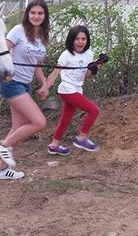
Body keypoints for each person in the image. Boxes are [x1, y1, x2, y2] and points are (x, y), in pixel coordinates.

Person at [0, 0, 50, 180]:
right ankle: (4, 144)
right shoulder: (18, 31)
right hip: (12, 82)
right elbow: (1, 52)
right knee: (39, 122)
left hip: (25, 84)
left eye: (40, 13)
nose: (36, 16)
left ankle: (3, 171)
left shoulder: (42, 36)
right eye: (33, 12)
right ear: (27, 14)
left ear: (45, 16)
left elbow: (37, 65)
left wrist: (44, 83)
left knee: (18, 128)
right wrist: (5, 71)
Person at [41, 25, 103, 154]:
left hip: (76, 89)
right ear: (71, 40)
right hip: (67, 90)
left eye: (83, 39)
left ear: (87, 40)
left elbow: (86, 76)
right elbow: (55, 73)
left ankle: (54, 145)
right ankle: (81, 138)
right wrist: (46, 87)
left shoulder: (89, 54)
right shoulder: (66, 55)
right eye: (77, 39)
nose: (80, 42)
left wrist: (95, 68)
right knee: (94, 111)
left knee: (66, 119)